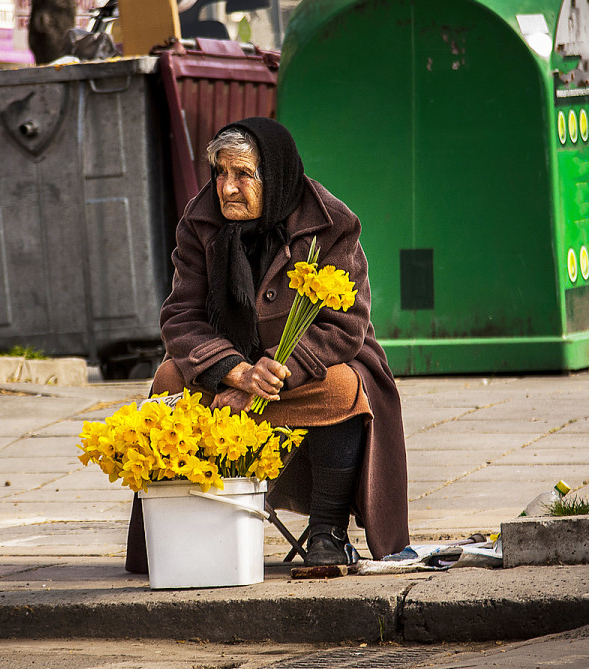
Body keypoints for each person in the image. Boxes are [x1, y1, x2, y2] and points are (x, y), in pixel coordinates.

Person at [126, 117, 408, 569]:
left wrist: (271, 374)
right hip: (228, 376)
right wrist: (235, 372)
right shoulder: (200, 220)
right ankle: (186, 528)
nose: (227, 188)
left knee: (343, 389)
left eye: (243, 174)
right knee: (169, 379)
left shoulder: (329, 222)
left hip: (300, 373)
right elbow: (181, 316)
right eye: (221, 172)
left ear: (274, 176)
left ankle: (328, 532)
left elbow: (345, 324)